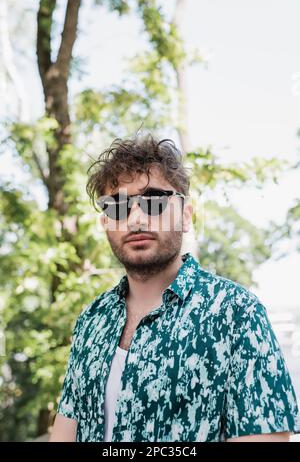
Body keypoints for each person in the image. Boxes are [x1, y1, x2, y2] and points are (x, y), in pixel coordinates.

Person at [49, 134, 300, 442]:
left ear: (185, 216)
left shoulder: (236, 313)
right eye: (117, 207)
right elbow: (64, 431)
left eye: (153, 202)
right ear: (105, 222)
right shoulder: (92, 320)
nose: (136, 219)